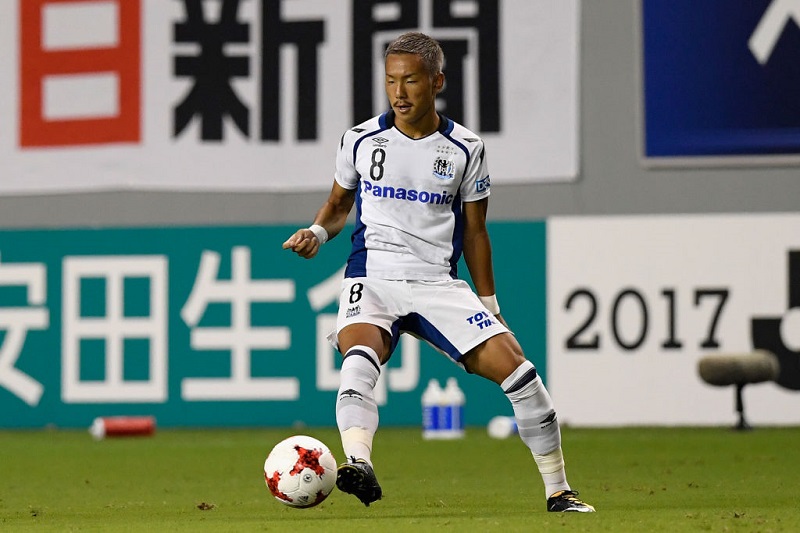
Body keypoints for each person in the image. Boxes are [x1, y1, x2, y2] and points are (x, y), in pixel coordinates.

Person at [283, 31, 594, 513]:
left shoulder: (466, 148)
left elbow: (475, 233)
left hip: (436, 283)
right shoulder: (360, 140)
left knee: (523, 376)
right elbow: (338, 205)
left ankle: (559, 491)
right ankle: (359, 463)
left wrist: (490, 306)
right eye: (391, 81)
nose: (399, 93)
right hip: (373, 276)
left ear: (437, 82)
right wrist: (317, 233)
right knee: (358, 361)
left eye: (411, 81)